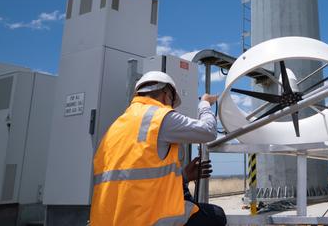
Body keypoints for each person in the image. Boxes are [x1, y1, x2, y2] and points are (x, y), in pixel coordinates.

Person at [90, 71, 227, 226]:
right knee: (216, 216)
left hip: (108, 220)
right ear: (166, 94)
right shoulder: (159, 116)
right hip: (147, 220)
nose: (170, 107)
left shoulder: (113, 129)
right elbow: (208, 131)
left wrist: (183, 177)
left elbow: (134, 181)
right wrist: (205, 104)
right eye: (171, 102)